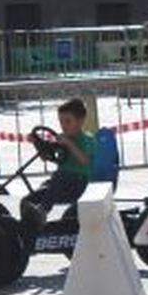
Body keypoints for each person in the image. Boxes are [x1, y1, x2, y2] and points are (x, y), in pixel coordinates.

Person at [20, 97, 95, 234]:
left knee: (59, 177)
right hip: (60, 184)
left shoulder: (87, 139)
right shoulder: (61, 139)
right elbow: (46, 157)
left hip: (79, 183)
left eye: (68, 121)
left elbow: (86, 161)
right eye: (61, 121)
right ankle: (28, 227)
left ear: (80, 121)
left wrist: (69, 144)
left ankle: (42, 211)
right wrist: (37, 143)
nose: (63, 125)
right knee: (32, 197)